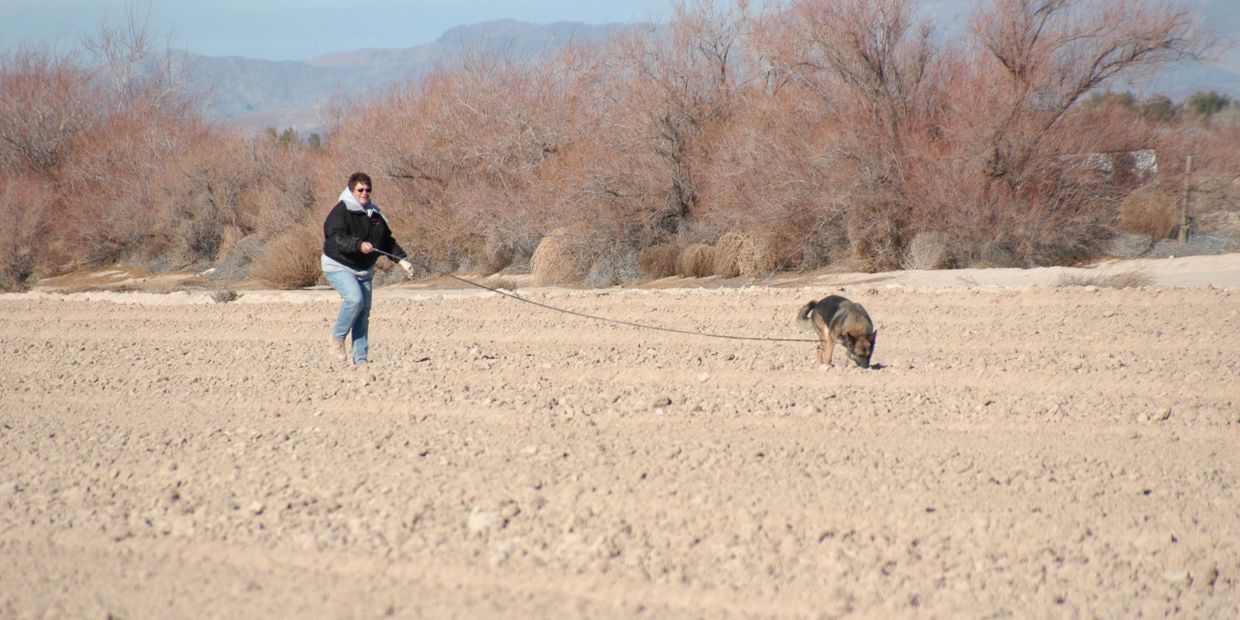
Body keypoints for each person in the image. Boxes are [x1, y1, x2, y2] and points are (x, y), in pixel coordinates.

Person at [321, 172, 413, 365]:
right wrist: (358, 245)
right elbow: (335, 237)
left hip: (364, 269)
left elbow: (386, 242)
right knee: (355, 300)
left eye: (368, 190)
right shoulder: (341, 211)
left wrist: (402, 260)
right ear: (352, 190)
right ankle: (337, 338)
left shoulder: (375, 215)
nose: (364, 193)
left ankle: (361, 359)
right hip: (338, 265)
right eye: (360, 190)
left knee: (363, 312)